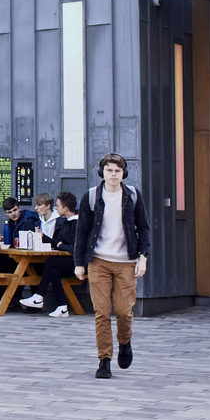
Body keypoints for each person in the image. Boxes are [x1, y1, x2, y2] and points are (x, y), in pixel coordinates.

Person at [74, 153, 150, 377]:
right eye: (109, 170)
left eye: (118, 171)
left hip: (126, 261)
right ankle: (104, 360)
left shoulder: (133, 196)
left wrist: (143, 256)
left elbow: (144, 228)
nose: (114, 175)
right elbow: (82, 232)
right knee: (102, 312)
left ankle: (125, 342)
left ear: (123, 173)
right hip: (98, 261)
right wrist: (79, 263)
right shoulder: (91, 197)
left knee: (124, 311)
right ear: (102, 172)